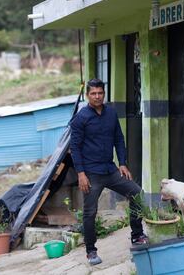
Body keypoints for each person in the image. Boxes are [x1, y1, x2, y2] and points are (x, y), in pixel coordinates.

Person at [70, 78, 148, 266]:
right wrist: (80, 173)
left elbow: (119, 139)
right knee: (90, 212)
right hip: (90, 174)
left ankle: (137, 235)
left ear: (104, 94)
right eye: (93, 93)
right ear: (88, 95)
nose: (97, 96)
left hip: (110, 169)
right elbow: (75, 147)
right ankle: (91, 251)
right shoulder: (81, 118)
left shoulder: (111, 114)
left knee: (137, 193)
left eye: (100, 93)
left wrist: (122, 163)